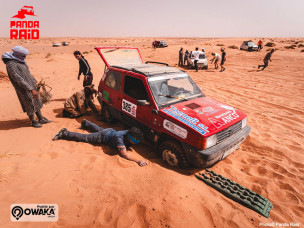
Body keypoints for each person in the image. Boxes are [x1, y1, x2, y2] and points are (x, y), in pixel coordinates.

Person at [53, 120, 148, 167]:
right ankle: (64, 133)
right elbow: (125, 154)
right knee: (85, 138)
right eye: (135, 141)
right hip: (103, 137)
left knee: (97, 128)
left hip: (110, 131)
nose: (136, 143)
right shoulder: (120, 138)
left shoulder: (130, 132)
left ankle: (86, 122)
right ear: (129, 137)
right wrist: (139, 161)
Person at [2, 46, 51, 128]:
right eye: (23, 56)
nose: (25, 57)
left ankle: (41, 118)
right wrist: (30, 88)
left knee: (36, 101)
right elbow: (18, 79)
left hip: (31, 85)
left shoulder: (21, 61)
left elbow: (28, 72)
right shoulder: (11, 64)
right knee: (29, 103)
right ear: (17, 54)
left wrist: (34, 81)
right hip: (23, 88)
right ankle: (33, 121)